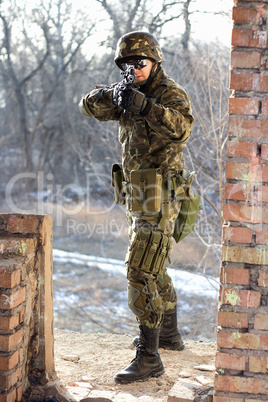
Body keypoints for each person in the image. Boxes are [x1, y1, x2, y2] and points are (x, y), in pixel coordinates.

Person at [79, 31, 194, 384]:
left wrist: (145, 107)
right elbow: (88, 106)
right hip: (138, 196)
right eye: (127, 64)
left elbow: (183, 129)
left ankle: (149, 356)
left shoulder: (168, 93)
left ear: (154, 61)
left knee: (139, 270)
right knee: (154, 266)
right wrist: (112, 94)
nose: (134, 68)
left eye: (139, 62)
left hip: (161, 196)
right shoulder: (127, 91)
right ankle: (170, 337)